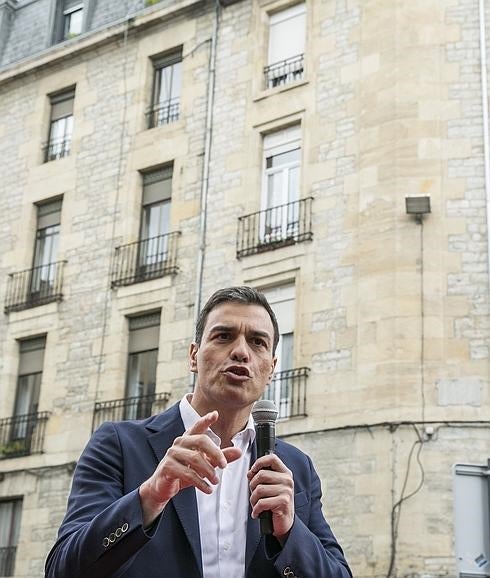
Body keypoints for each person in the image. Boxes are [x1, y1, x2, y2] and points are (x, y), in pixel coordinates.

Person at [45, 286, 352, 578]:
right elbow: (62, 570)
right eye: (224, 336)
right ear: (194, 356)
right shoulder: (119, 445)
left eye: (258, 342)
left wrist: (289, 534)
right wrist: (149, 498)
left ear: (271, 368)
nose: (241, 352)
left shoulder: (296, 468)